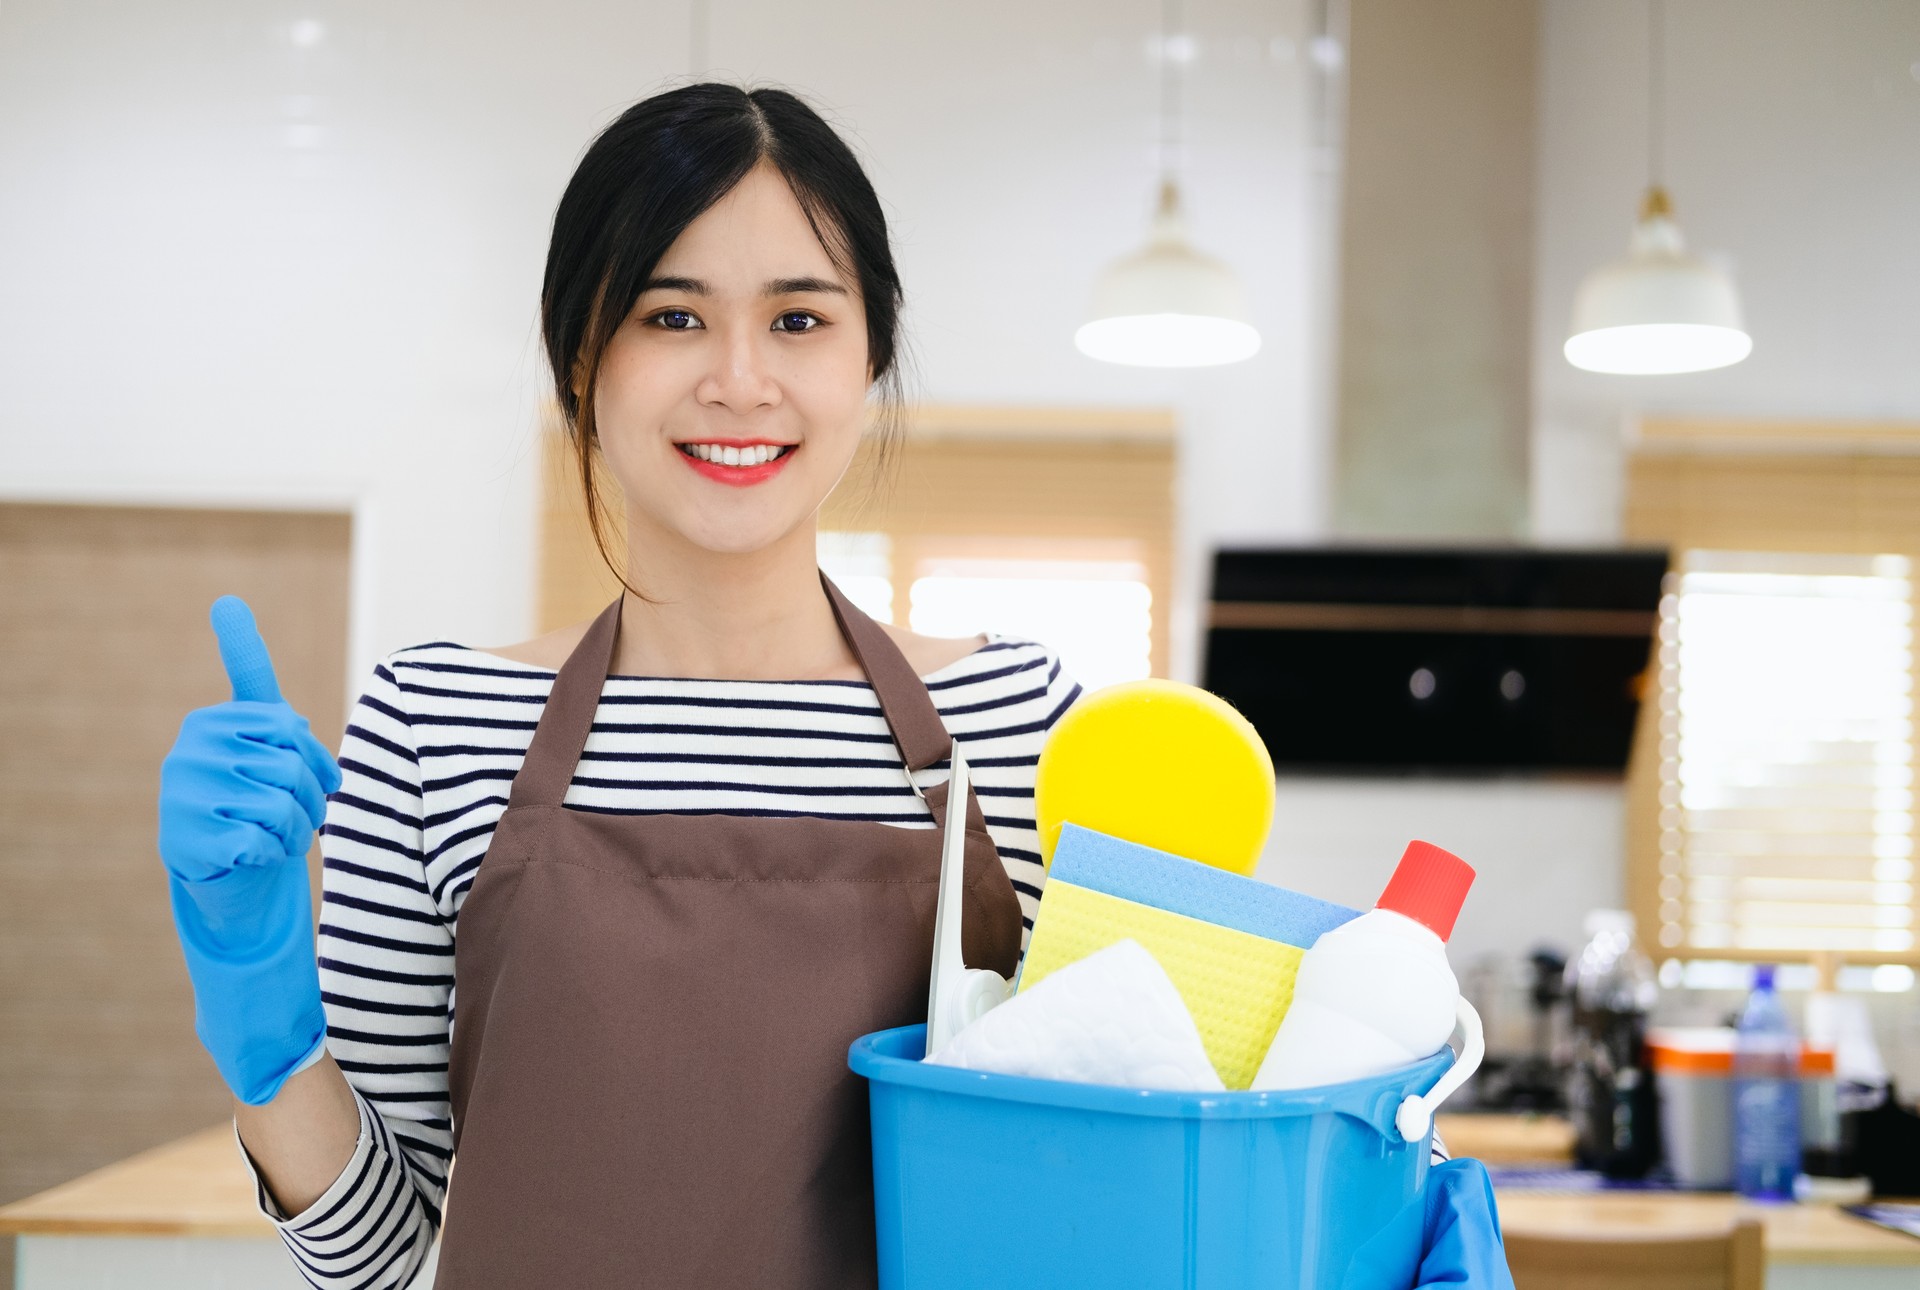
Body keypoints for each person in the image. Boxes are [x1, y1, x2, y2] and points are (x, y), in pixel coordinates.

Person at [157, 82, 1511, 1289]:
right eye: (670, 314)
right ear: (584, 359)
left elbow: (1113, 1206)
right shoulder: (435, 726)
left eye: (798, 318)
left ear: (867, 362)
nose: (738, 379)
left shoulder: (1028, 726)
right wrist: (267, 1041)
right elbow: (387, 1258)